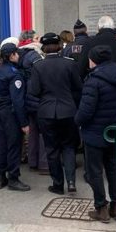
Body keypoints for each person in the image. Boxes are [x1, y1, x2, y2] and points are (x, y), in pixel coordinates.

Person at [74, 45, 116, 222]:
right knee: (113, 169)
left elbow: (86, 110)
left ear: (94, 60)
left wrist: (77, 121)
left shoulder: (93, 79)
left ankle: (101, 208)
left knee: (94, 171)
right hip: (114, 130)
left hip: (94, 132)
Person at [27, 33, 82, 194]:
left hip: (46, 112)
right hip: (68, 111)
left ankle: (58, 184)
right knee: (69, 147)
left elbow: (34, 91)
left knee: (52, 150)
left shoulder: (38, 65)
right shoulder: (69, 64)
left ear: (43, 48)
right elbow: (78, 87)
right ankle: (71, 182)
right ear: (59, 46)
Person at [0, 42, 31, 191]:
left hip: (1, 112)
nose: (19, 54)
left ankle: (1, 177)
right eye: (16, 52)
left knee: (2, 145)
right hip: (12, 113)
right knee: (14, 146)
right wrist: (24, 123)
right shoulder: (15, 75)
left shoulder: (0, 71)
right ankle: (13, 178)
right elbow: (18, 101)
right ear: (12, 55)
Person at [17, 30, 47, 172]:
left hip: (26, 96)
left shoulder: (20, 53)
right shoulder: (34, 54)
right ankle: (43, 163)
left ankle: (33, 161)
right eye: (37, 37)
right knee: (42, 131)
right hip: (36, 96)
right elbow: (43, 74)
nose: (39, 40)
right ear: (30, 40)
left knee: (33, 130)